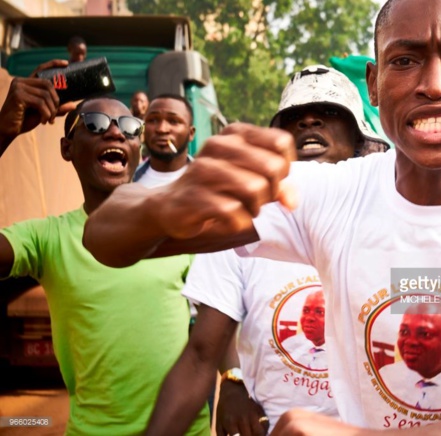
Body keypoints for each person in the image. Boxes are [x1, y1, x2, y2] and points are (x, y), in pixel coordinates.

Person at [84, 0, 441, 434]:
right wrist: (167, 202)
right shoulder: (326, 195)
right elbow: (106, 236)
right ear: (376, 85)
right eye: (406, 60)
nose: (435, 84)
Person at [145, 65, 389, 436]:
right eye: (294, 118)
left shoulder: (389, 220)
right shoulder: (240, 226)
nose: (309, 121)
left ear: (358, 141)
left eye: (328, 112)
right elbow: (200, 354)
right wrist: (232, 379)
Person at [0, 70, 209, 435]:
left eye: (129, 126)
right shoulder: (46, 238)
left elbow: (217, 326)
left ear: (136, 149)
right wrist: (4, 131)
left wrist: (237, 379)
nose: (115, 132)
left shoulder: (177, 225)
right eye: (94, 124)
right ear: (67, 148)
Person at [133, 94, 195, 187]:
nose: (161, 129)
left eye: (173, 121)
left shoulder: (209, 181)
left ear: (191, 133)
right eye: (153, 120)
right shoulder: (129, 181)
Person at [281, 290, 328, 370]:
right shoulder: (288, 345)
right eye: (306, 311)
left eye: (320, 312)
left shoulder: (347, 352)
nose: (309, 318)